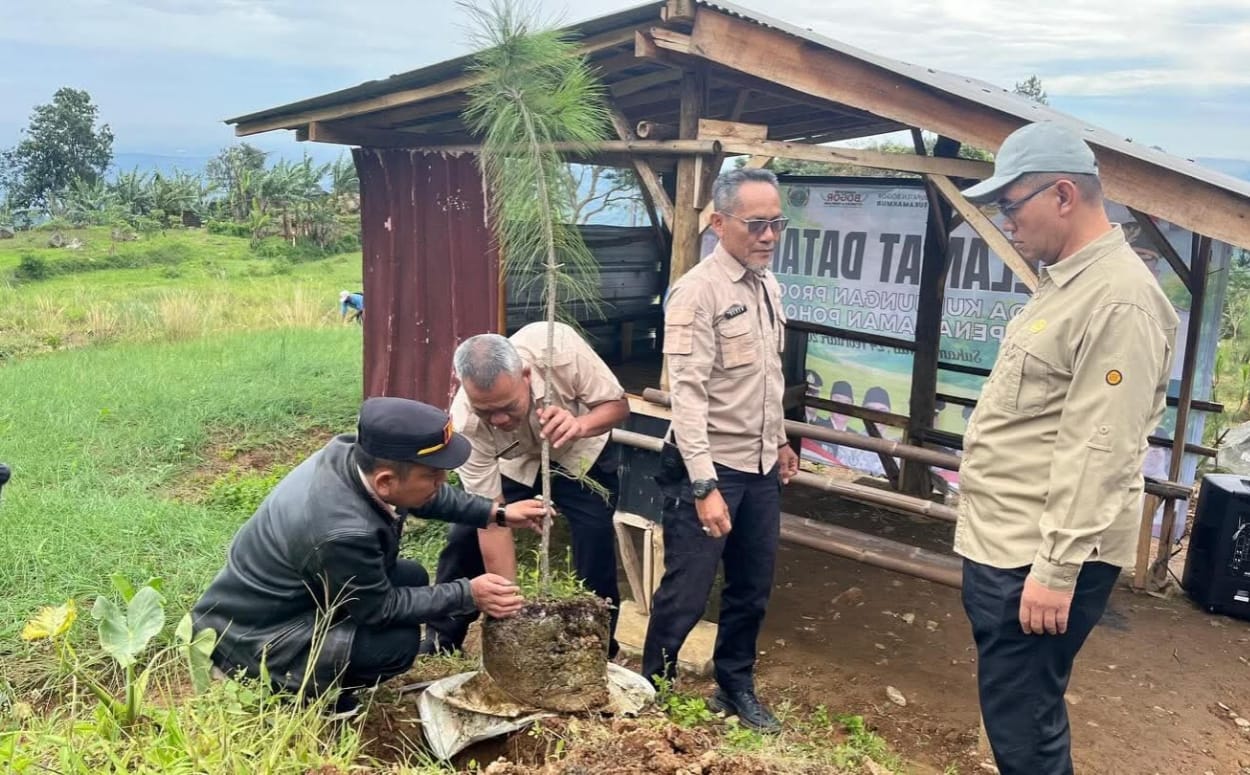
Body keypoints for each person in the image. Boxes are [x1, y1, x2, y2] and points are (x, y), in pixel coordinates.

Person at [955, 122, 1178, 774]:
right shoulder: (1071, 284)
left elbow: (1100, 446)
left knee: (1026, 734)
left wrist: (1055, 569)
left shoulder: (1120, 299)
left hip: (1039, 556)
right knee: (1018, 721)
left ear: (1061, 195)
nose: (1007, 222)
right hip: (1012, 545)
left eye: (1009, 206)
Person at [191, 397, 550, 716]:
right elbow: (378, 609)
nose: (443, 480)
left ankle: (322, 664)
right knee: (396, 644)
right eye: (433, 474)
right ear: (385, 482)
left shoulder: (354, 458)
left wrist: (498, 513)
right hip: (256, 636)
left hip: (292, 600)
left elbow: (429, 496)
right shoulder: (342, 531)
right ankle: (296, 691)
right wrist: (467, 593)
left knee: (408, 575)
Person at [643, 168, 799, 734]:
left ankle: (735, 686)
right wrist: (704, 486)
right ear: (718, 223)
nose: (768, 236)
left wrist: (779, 439)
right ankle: (652, 691)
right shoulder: (696, 291)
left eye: (776, 223)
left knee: (752, 588)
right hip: (706, 468)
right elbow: (687, 398)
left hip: (758, 468)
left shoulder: (768, 287)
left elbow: (768, 378)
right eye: (756, 224)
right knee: (686, 590)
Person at [421, 322, 630, 656]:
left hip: (580, 453)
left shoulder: (559, 347)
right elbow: (490, 519)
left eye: (508, 406)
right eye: (488, 412)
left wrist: (580, 425)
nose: (501, 419)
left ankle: (597, 645)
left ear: (527, 375)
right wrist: (511, 610)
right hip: (514, 461)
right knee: (463, 535)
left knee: (594, 542)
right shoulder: (466, 425)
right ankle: (441, 639)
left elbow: (617, 406)